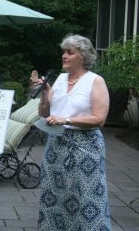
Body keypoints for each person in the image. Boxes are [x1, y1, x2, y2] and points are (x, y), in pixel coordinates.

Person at [36, 34, 112, 230]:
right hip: (56, 147)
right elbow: (44, 113)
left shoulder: (95, 81)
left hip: (85, 147)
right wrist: (44, 94)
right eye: (63, 52)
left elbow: (99, 119)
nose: (64, 56)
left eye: (70, 52)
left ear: (83, 56)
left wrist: (67, 120)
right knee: (54, 196)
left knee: (87, 197)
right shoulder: (60, 79)